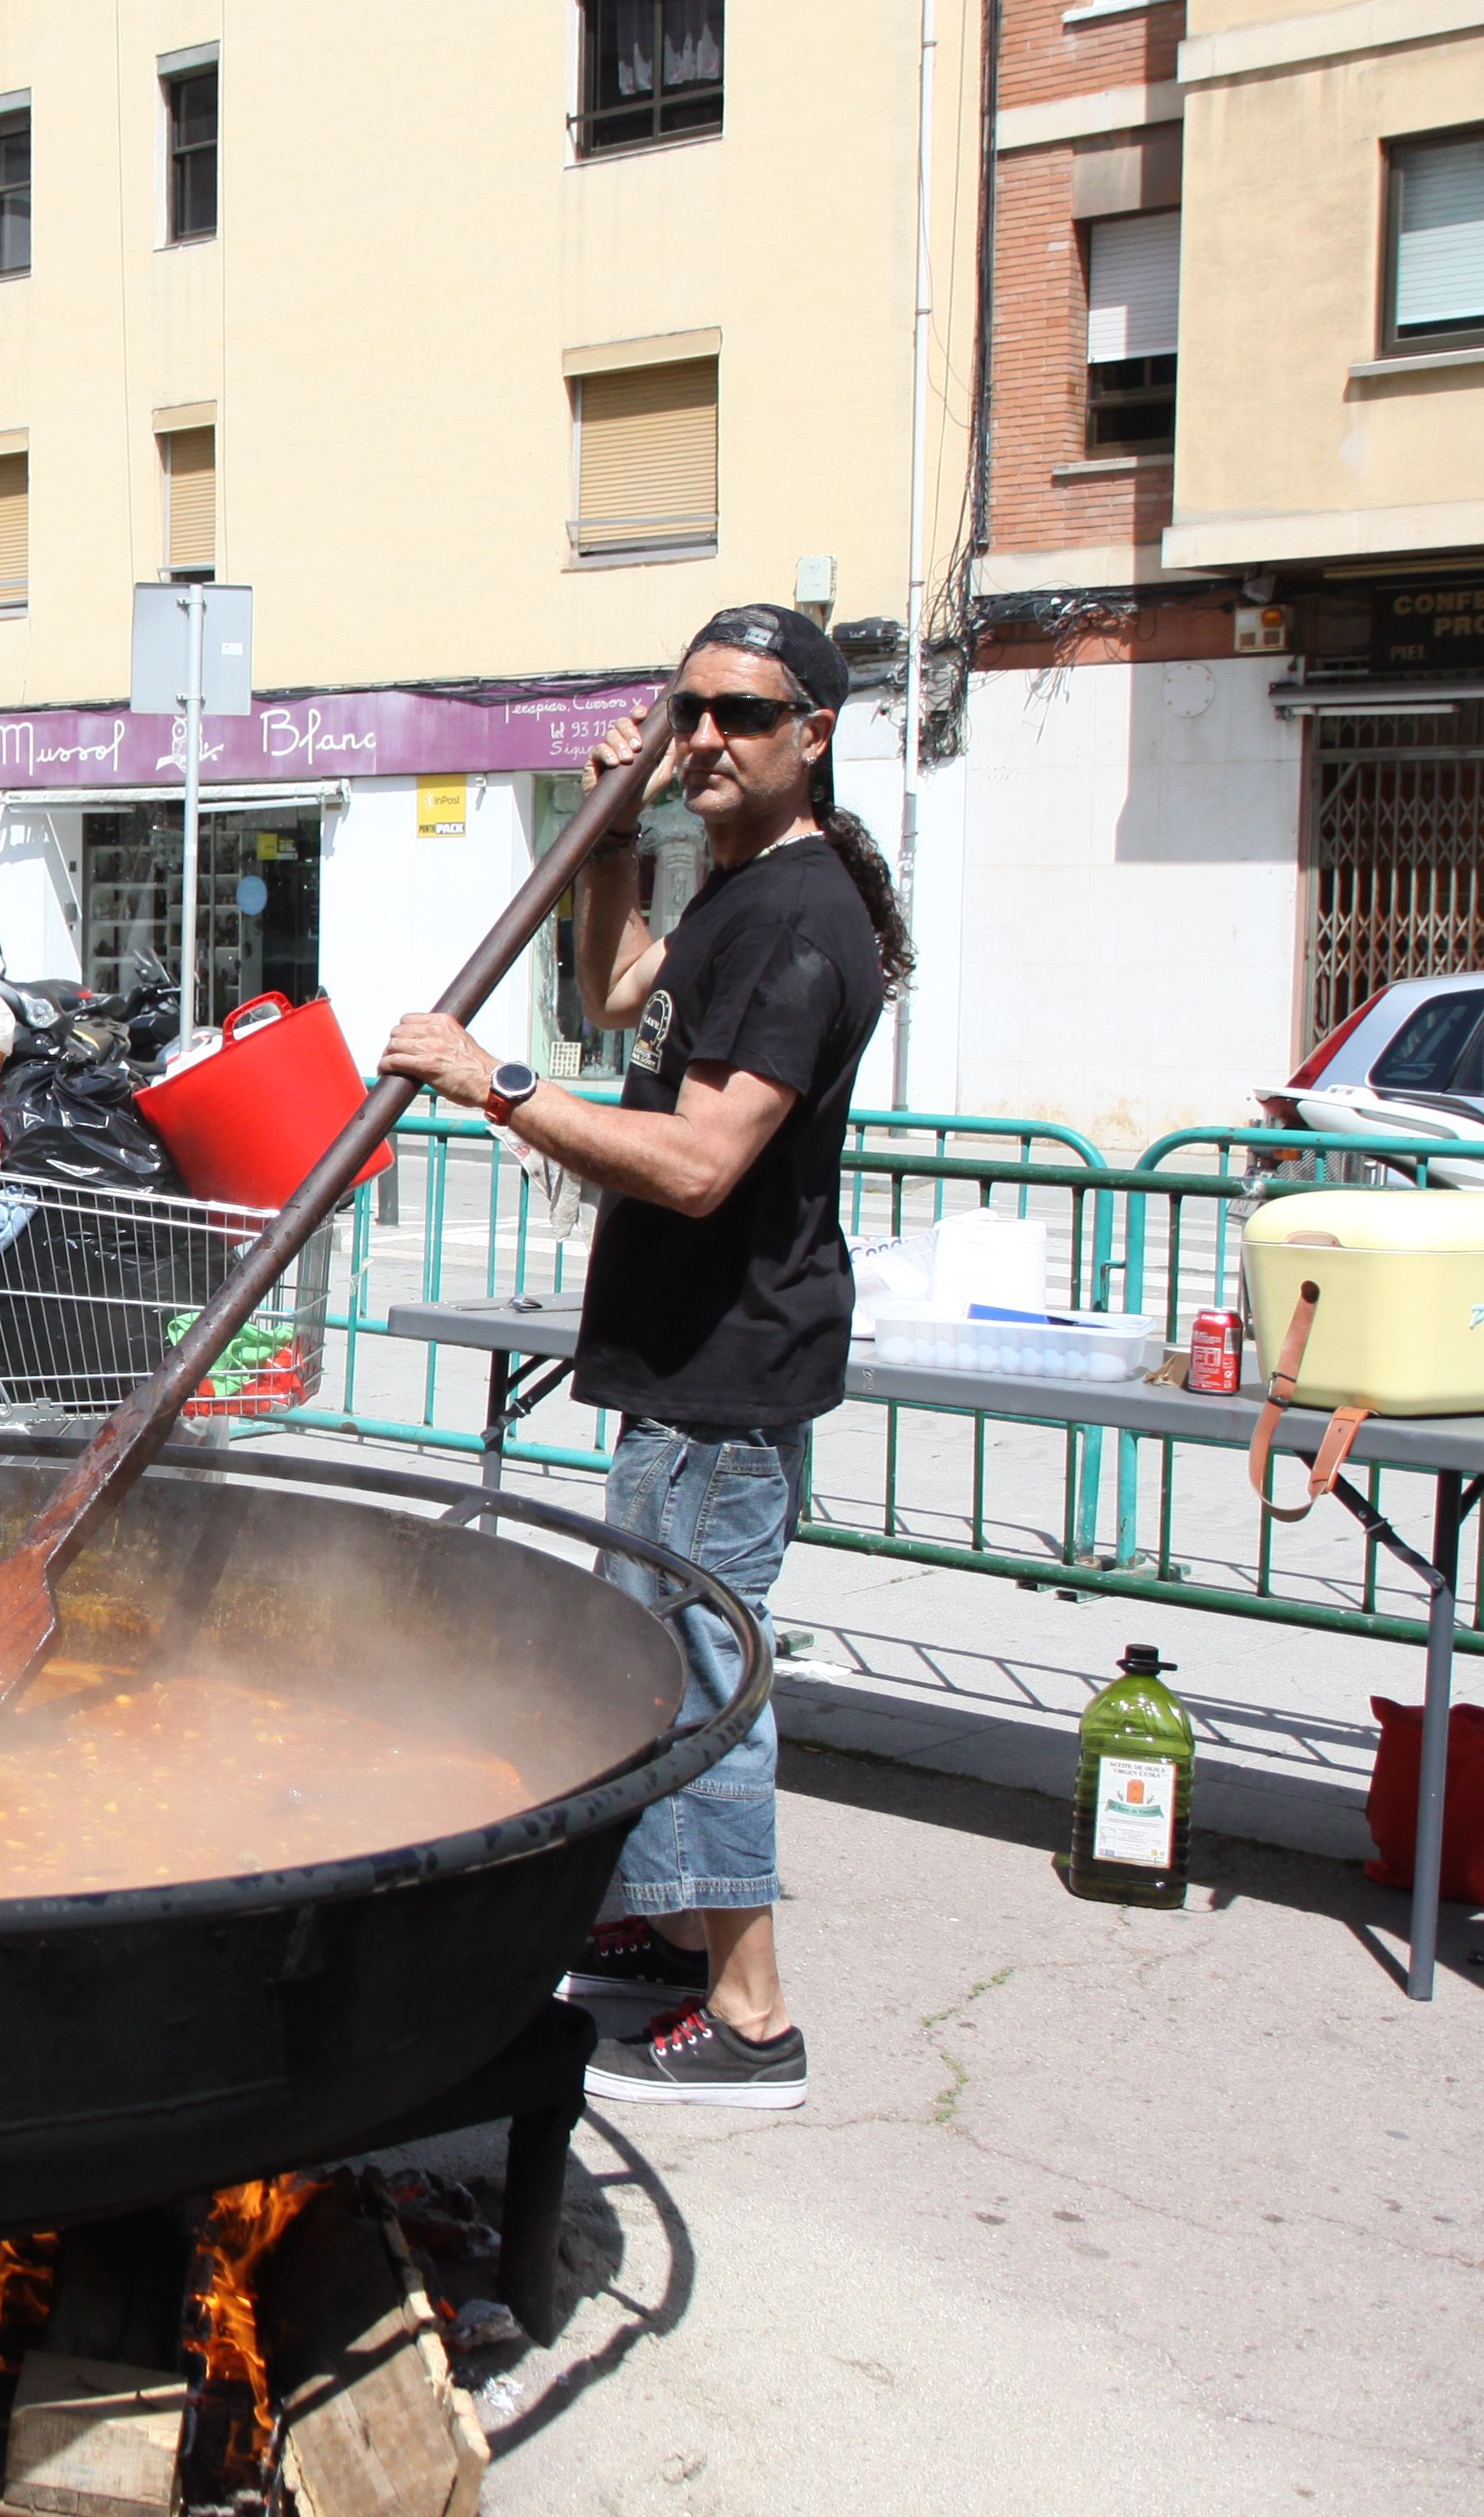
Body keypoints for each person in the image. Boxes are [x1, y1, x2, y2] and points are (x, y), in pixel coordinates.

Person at [376, 602, 906, 2111]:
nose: (708, 740)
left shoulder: (803, 923)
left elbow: (694, 1166)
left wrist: (494, 1080)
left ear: (814, 733)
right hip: (681, 1361)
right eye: (690, 714)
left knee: (698, 1683)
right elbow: (620, 995)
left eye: (743, 714)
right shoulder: (736, 893)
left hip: (727, 1373)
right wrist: (607, 838)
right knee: (659, 1665)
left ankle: (751, 2020)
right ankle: (677, 1948)